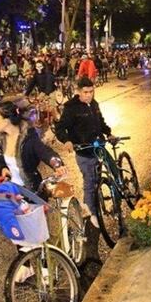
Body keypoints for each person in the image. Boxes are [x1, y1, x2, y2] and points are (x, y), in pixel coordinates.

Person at [55, 77, 114, 217]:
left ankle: (117, 199)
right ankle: (91, 215)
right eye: (85, 92)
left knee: (113, 171)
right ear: (79, 91)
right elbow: (60, 128)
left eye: (91, 92)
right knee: (90, 183)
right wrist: (67, 141)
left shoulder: (94, 104)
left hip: (99, 147)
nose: (89, 95)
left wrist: (109, 133)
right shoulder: (71, 108)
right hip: (84, 152)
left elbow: (101, 122)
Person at [0, 101, 67, 191]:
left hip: (31, 190)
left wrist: (57, 165)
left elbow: (45, 152)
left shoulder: (29, 138)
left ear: (6, 121)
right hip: (10, 191)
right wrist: (2, 168)